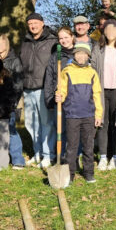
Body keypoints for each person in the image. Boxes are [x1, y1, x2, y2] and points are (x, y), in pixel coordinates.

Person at [55, 42, 103, 183]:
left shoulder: (92, 72)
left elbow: (97, 94)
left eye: (84, 54)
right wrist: (59, 96)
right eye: (78, 53)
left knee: (88, 146)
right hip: (72, 115)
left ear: (88, 56)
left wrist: (98, 114)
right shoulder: (67, 71)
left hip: (89, 115)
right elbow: (62, 90)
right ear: (74, 55)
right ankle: (69, 174)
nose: (81, 56)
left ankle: (88, 173)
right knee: (72, 146)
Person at [90, 20, 116, 171]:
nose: (110, 33)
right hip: (101, 91)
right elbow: (93, 70)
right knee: (102, 123)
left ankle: (115, 157)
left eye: (113, 30)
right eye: (107, 30)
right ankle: (103, 156)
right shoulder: (98, 49)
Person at [19, 12, 58, 167]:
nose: (33, 26)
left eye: (36, 23)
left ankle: (49, 154)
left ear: (42, 23)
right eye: (30, 24)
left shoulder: (52, 41)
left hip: (44, 88)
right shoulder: (25, 42)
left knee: (46, 123)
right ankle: (37, 153)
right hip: (27, 88)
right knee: (31, 123)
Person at [0, 34, 25, 169]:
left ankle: (18, 160)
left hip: (8, 102)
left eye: (2, 43)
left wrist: (12, 103)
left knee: (10, 130)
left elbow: (18, 84)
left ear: (6, 44)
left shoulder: (14, 60)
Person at [43, 26, 76, 163]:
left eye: (66, 37)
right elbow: (49, 78)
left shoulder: (79, 54)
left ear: (72, 37)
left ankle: (74, 156)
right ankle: (60, 157)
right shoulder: (55, 57)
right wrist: (49, 98)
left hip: (76, 99)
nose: (63, 40)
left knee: (73, 130)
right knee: (60, 129)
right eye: (60, 38)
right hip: (59, 98)